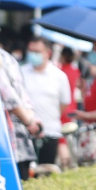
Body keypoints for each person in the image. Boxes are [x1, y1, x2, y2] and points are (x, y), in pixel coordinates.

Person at [0, 41, 40, 180]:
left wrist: (29, 120)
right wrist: (30, 118)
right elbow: (18, 96)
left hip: (8, 140)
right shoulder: (6, 57)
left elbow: (9, 95)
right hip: (18, 139)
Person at [20, 37, 71, 168]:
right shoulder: (21, 72)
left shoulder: (59, 76)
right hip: (25, 133)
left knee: (47, 171)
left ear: (47, 53)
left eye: (37, 51)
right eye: (31, 51)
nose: (33, 54)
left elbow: (64, 103)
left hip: (50, 132)